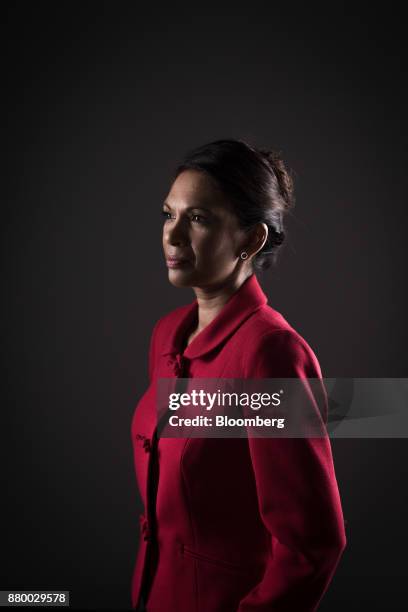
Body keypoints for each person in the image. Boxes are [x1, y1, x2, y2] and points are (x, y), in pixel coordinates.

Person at [130, 139, 347, 611]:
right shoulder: (167, 336)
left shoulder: (271, 355)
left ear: (251, 240)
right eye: (169, 214)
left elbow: (311, 545)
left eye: (198, 218)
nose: (172, 236)